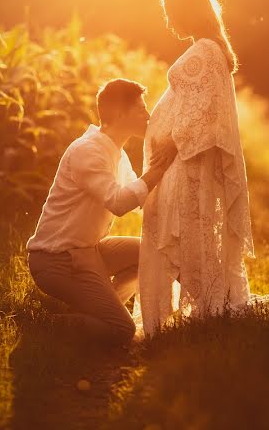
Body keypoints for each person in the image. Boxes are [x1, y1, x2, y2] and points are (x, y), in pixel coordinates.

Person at [134, 0, 256, 336]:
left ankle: (206, 309)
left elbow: (206, 112)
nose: (168, 22)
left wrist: (172, 142)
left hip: (187, 161)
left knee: (184, 231)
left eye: (171, 14)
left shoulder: (205, 50)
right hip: (183, 160)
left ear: (187, 11)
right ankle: (206, 308)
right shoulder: (209, 48)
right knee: (187, 231)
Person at [26, 78, 177, 345]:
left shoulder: (117, 153)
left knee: (152, 254)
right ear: (120, 114)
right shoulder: (88, 151)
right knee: (122, 331)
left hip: (88, 252)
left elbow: (140, 197)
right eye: (141, 110)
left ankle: (101, 305)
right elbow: (119, 203)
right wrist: (156, 172)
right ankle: (46, 324)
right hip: (58, 261)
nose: (148, 116)